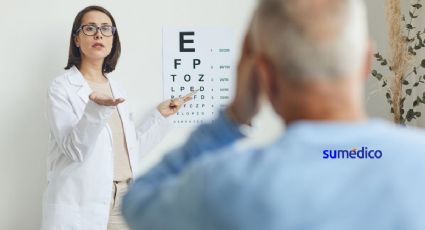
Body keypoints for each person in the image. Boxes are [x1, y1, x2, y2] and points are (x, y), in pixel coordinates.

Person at [122, 0, 425, 229]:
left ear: (262, 77)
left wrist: (230, 120)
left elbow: (138, 202)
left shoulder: (227, 184)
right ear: (366, 61)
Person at [42, 5, 190, 230]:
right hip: (81, 200)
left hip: (122, 197)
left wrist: (160, 116)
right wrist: (96, 110)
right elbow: (75, 150)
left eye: (105, 28)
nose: (99, 34)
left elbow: (130, 152)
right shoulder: (61, 88)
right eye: (90, 28)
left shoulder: (117, 88)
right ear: (77, 40)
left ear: (113, 39)